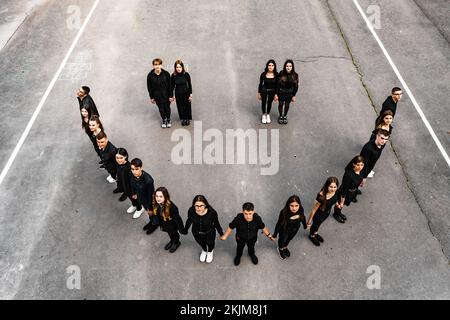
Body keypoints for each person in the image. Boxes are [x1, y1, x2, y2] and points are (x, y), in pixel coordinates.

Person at [181, 195, 224, 263]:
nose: (199, 208)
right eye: (196, 206)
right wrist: (185, 229)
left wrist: (221, 233)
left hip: (209, 233)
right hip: (196, 232)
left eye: (201, 205)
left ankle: (210, 252)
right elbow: (189, 220)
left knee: (210, 244)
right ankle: (204, 250)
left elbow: (216, 223)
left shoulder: (212, 212)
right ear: (194, 205)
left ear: (205, 205)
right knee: (200, 242)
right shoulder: (191, 211)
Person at [146, 187, 184, 253]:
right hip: (164, 224)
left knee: (174, 234)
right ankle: (172, 240)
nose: (158, 198)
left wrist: (181, 229)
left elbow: (178, 219)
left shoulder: (172, 207)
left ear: (165, 197)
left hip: (172, 225)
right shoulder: (157, 204)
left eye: (161, 196)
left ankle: (176, 242)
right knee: (169, 233)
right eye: (157, 196)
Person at [306, 177, 340, 246]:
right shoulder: (321, 196)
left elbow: (335, 199)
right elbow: (314, 210)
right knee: (315, 225)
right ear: (327, 186)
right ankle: (311, 235)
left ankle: (315, 233)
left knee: (318, 225)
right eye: (331, 187)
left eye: (335, 187)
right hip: (319, 215)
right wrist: (309, 222)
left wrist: (337, 204)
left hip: (326, 213)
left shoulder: (335, 192)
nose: (333, 189)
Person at [272, 195, 306, 260]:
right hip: (285, 230)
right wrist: (275, 234)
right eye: (292, 206)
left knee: (289, 239)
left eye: (296, 206)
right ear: (288, 205)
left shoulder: (301, 209)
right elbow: (279, 224)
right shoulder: (284, 212)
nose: (294, 208)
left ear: (299, 205)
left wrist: (305, 225)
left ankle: (285, 247)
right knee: (282, 240)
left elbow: (303, 217)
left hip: (295, 229)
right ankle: (280, 249)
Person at [333, 156, 365, 223]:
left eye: (362, 165)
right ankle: (336, 214)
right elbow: (344, 190)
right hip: (345, 193)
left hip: (353, 191)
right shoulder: (348, 175)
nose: (360, 167)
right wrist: (342, 201)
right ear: (353, 164)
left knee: (343, 205)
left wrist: (361, 182)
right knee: (340, 205)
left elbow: (360, 178)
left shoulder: (360, 171)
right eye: (358, 165)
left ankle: (339, 212)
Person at [147, 58, 174, 128]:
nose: (157, 66)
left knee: (167, 108)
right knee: (161, 109)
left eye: (159, 64)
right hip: (157, 96)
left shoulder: (166, 74)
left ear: (161, 65)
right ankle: (164, 120)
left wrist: (171, 96)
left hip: (166, 95)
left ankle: (168, 119)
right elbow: (149, 87)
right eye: (155, 65)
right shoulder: (150, 75)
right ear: (153, 66)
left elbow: (170, 86)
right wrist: (151, 97)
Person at [115, 148, 140, 215]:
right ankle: (134, 205)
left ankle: (139, 208)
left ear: (125, 156)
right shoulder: (119, 164)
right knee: (130, 198)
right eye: (117, 158)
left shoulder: (129, 168)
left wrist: (135, 193)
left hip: (131, 188)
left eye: (121, 158)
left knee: (135, 199)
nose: (119, 160)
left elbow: (134, 181)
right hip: (125, 187)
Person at [274, 59, 299, 125]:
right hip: (281, 92)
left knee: (287, 105)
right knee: (281, 104)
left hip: (289, 93)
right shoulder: (281, 73)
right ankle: (280, 116)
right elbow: (277, 84)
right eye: (287, 66)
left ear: (292, 67)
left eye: (290, 66)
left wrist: (294, 95)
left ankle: (284, 116)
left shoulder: (295, 75)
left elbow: (296, 86)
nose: (288, 67)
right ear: (285, 66)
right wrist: (276, 94)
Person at [171, 60, 193, 126]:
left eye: (180, 67)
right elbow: (172, 86)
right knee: (180, 107)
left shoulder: (186, 74)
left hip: (186, 93)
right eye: (177, 67)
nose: (178, 69)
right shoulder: (173, 75)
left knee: (187, 106)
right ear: (175, 68)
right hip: (178, 93)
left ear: (182, 67)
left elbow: (189, 84)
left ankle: (187, 119)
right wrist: (172, 95)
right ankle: (183, 119)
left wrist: (191, 95)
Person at [257, 59, 278, 124]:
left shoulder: (276, 74)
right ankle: (263, 115)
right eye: (269, 65)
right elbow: (260, 84)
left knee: (269, 103)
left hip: (272, 91)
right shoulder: (263, 74)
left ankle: (268, 115)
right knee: (263, 102)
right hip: (264, 90)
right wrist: (259, 93)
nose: (270, 67)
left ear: (274, 67)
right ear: (267, 66)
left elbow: (277, 85)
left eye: (272, 65)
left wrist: (276, 94)